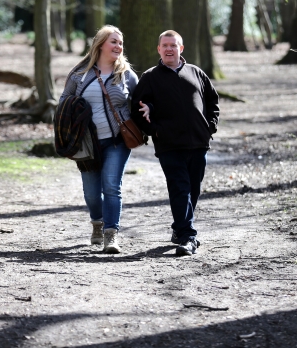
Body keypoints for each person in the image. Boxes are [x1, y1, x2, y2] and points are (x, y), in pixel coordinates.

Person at [131, 30, 219, 256]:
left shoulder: (197, 73)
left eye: (173, 45)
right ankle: (189, 236)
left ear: (181, 48)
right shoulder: (150, 77)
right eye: (165, 45)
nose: (169, 49)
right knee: (179, 188)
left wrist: (210, 127)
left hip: (199, 143)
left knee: (193, 189)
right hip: (169, 145)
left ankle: (179, 228)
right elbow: (137, 108)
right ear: (159, 49)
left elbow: (212, 100)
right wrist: (155, 131)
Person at [59, 25, 139, 254]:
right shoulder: (79, 74)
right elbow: (63, 103)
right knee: (92, 193)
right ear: (100, 44)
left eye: (120, 43)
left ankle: (111, 235)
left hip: (117, 141)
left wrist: (146, 111)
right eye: (113, 41)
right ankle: (97, 222)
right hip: (87, 144)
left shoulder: (126, 75)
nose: (118, 46)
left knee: (112, 187)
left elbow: (141, 100)